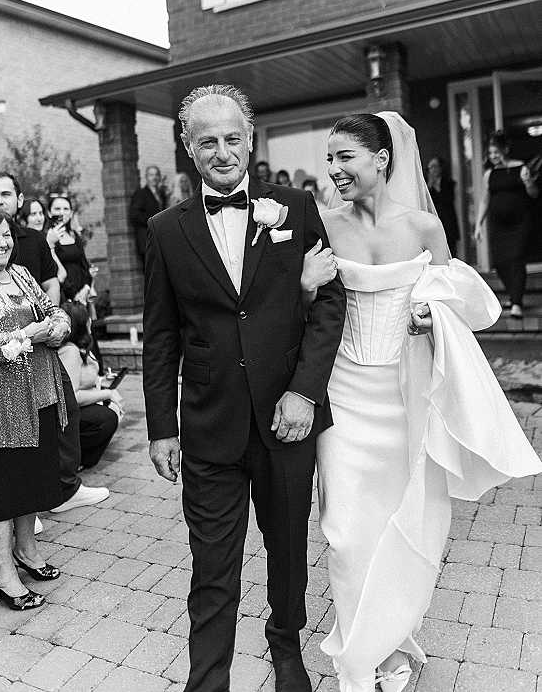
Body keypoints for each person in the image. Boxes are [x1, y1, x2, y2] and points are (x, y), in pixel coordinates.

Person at [301, 112, 542, 692]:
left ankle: (391, 641)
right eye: (329, 158)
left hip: (405, 392)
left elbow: (461, 301)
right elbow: (297, 314)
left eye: (345, 157)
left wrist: (429, 311)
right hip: (343, 394)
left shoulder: (424, 229)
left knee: (406, 520)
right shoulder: (324, 224)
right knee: (346, 530)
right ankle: (361, 659)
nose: (333, 170)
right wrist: (305, 284)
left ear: (382, 159)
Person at [143, 84, 345, 692]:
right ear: (187, 147)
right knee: (212, 569)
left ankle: (286, 649)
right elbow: (160, 337)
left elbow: (329, 304)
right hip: (208, 426)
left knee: (288, 555)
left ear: (250, 138)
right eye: (208, 141)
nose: (223, 151)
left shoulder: (296, 207)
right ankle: (207, 681)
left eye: (233, 138)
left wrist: (305, 391)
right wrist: (160, 428)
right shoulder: (164, 230)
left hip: (287, 419)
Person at [0, 205, 71, 609]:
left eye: (6, 234)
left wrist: (58, 326)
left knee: (31, 481)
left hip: (39, 392)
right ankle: (3, 575)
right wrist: (25, 333)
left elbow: (53, 308)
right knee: (1, 489)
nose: (2, 243)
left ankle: (27, 553)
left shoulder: (22, 273)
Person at [0, 173, 109, 514]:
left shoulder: (33, 240)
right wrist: (22, 334)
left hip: (44, 347)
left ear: (19, 200)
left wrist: (56, 323)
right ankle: (21, 508)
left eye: (5, 193)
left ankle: (66, 489)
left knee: (64, 410)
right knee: (13, 431)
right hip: (1, 355)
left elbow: (52, 286)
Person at [474, 131, 539, 318]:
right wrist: (478, 224)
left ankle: (516, 303)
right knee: (501, 262)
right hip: (498, 225)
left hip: (520, 223)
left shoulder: (521, 168)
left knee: (517, 259)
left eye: (496, 152)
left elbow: (533, 194)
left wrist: (528, 182)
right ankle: (513, 294)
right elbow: (485, 201)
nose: (493, 156)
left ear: (505, 150)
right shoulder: (489, 174)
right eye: (490, 153)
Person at [58, 301, 123, 469]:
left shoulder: (80, 346)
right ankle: (75, 460)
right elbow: (72, 395)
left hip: (87, 403)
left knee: (112, 411)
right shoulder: (70, 351)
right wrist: (107, 394)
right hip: (70, 414)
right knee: (106, 418)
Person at [17, 197, 67, 284]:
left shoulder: (45, 237)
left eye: (41, 213)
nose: (39, 218)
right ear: (22, 220)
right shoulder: (23, 245)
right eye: (33, 214)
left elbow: (62, 274)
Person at [129, 165, 167, 267]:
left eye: (156, 175)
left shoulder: (161, 194)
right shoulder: (141, 194)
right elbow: (134, 214)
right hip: (147, 240)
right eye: (151, 175)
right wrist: (153, 221)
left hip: (160, 240)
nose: (154, 178)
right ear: (146, 177)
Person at [425, 156, 460, 257]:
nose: (434, 169)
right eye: (431, 167)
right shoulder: (425, 186)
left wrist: (438, 187)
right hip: (433, 221)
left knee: (451, 250)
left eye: (436, 166)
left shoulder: (448, 183)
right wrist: (430, 185)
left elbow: (449, 199)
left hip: (448, 221)